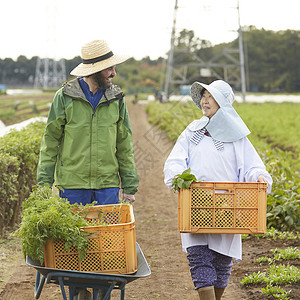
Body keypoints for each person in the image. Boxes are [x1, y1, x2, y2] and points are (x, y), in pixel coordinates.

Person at [163, 80, 272, 300]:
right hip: (196, 205)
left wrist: (259, 176)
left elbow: (252, 166)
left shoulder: (238, 137)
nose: (204, 100)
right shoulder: (192, 132)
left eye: (210, 96)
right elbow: (174, 161)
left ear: (223, 102)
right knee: (199, 260)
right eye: (203, 96)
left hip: (227, 209)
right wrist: (178, 176)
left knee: (221, 266)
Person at [37, 39, 139, 206]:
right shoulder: (64, 97)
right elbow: (50, 142)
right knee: (77, 232)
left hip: (107, 185)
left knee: (108, 232)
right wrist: (44, 185)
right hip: (72, 185)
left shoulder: (116, 98)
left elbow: (124, 144)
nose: (114, 73)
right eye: (109, 69)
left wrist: (129, 185)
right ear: (95, 70)